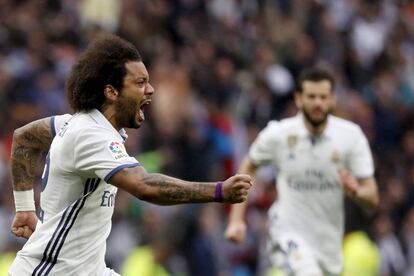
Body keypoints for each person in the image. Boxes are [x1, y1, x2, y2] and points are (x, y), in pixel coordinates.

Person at [8, 33, 252, 276]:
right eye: (140, 83)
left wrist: (25, 207)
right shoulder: (90, 134)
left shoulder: (72, 124)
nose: (151, 89)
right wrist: (219, 191)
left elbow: (24, 138)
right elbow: (144, 186)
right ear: (111, 92)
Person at [225, 68, 379, 276]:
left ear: (332, 100)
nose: (317, 103)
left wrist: (357, 192)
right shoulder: (278, 134)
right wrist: (236, 220)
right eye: (311, 97)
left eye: (323, 97)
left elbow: (372, 197)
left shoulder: (351, 138)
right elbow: (248, 167)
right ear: (299, 99)